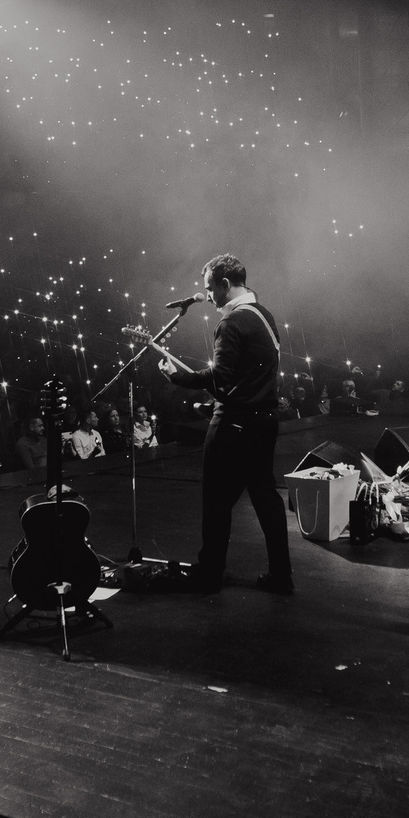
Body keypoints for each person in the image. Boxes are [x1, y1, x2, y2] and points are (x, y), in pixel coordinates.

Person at [156, 253, 294, 592]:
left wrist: (179, 378)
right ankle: (281, 576)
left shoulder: (231, 323)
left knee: (216, 502)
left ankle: (210, 573)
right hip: (264, 420)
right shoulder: (264, 315)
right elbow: (243, 378)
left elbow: (221, 377)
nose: (209, 297)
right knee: (266, 498)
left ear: (225, 284)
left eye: (210, 289)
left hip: (234, 426)